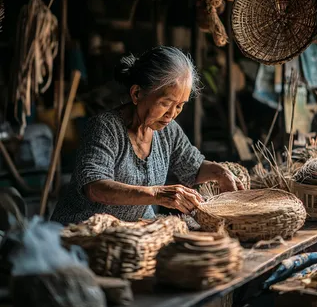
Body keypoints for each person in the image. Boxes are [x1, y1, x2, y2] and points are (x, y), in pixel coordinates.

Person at [51, 46, 244, 225]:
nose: (171, 113)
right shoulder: (105, 128)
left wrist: (221, 173)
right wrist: (157, 194)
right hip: (82, 235)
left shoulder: (169, 130)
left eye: (180, 105)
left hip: (130, 235)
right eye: (165, 103)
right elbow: (95, 187)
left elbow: (193, 167)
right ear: (136, 94)